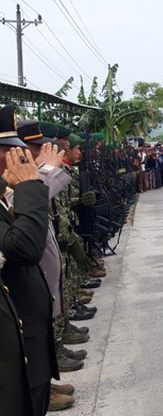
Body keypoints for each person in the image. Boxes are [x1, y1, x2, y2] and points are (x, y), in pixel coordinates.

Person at [0, 106, 57, 416]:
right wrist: (28, 186)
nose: (21, 158)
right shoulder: (19, 189)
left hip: (26, 345)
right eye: (12, 151)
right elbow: (25, 247)